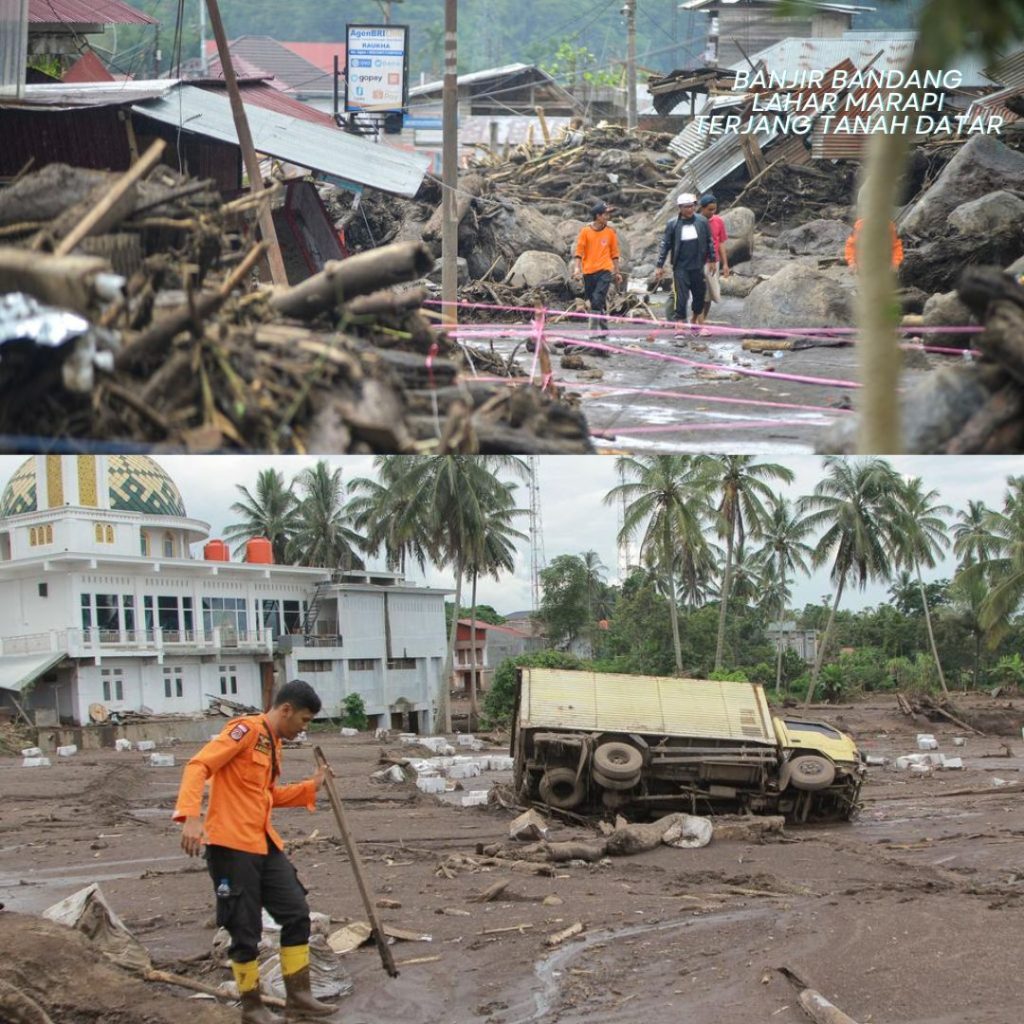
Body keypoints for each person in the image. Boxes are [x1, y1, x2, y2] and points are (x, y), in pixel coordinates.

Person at [174, 679, 342, 1024]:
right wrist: (191, 816)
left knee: (296, 913)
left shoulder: (272, 744)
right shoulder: (245, 731)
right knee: (244, 929)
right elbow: (198, 766)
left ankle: (299, 997)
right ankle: (252, 1008)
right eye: (304, 721)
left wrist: (311, 786)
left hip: (262, 843)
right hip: (230, 847)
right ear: (286, 710)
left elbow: (268, 796)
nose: (304, 729)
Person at [654, 192, 714, 335]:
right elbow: (665, 245)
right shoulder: (673, 224)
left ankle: (698, 324)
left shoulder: (702, 222)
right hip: (680, 267)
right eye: (686, 207)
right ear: (680, 208)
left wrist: (712, 259)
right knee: (681, 297)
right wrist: (659, 265)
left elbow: (709, 241)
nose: (690, 209)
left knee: (699, 295)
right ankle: (679, 325)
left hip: (697, 265)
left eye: (692, 206)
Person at [571, 200, 623, 338]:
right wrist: (577, 268)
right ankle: (604, 330)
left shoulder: (611, 232)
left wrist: (617, 272)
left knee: (597, 299)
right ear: (598, 216)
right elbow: (579, 252)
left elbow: (615, 254)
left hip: (605, 271)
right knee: (595, 301)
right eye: (606, 214)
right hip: (588, 272)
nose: (608, 217)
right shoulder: (585, 232)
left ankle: (592, 333)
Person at [697, 193, 730, 327]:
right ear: (702, 208)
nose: (712, 212)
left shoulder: (718, 221)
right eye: (709, 209)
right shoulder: (696, 221)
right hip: (699, 262)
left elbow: (721, 243)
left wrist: (725, 264)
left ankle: (702, 320)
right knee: (700, 292)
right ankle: (699, 323)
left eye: (714, 209)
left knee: (710, 294)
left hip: (714, 262)